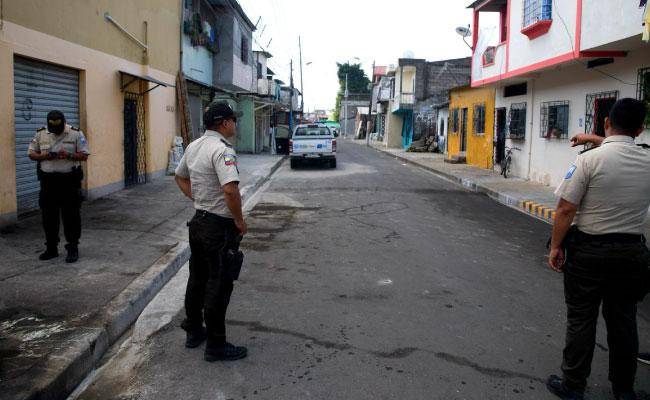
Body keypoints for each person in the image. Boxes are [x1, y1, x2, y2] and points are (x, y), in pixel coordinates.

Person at [546, 98, 650, 400]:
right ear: (641, 129)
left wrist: (555, 246)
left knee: (582, 318)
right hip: (631, 254)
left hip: (590, 253)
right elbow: (623, 149)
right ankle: (623, 390)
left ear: (607, 123)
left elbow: (565, 209)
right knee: (624, 321)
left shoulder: (588, 161)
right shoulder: (646, 158)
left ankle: (573, 385)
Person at [174, 101, 248, 362]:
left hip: (199, 223)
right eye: (233, 120)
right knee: (219, 283)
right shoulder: (222, 150)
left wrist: (199, 198)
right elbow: (230, 190)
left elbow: (179, 176)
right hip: (218, 227)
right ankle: (216, 345)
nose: (235, 124)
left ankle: (194, 331)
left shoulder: (194, 146)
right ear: (224, 123)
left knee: (197, 280)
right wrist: (239, 221)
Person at [28, 110, 90, 263]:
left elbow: (84, 155)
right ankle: (51, 248)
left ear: (63, 122)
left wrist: (68, 155)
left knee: (71, 216)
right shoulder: (40, 134)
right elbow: (31, 154)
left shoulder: (75, 133)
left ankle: (73, 247)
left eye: (59, 128)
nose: (56, 131)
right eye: (53, 128)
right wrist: (45, 156)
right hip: (48, 182)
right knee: (49, 217)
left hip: (69, 181)